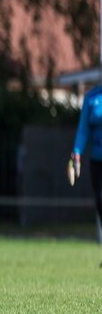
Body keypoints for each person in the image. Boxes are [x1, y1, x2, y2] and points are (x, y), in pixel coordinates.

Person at [69, 84, 102, 249]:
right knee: (100, 202)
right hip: (97, 160)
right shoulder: (92, 97)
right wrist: (77, 151)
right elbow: (84, 129)